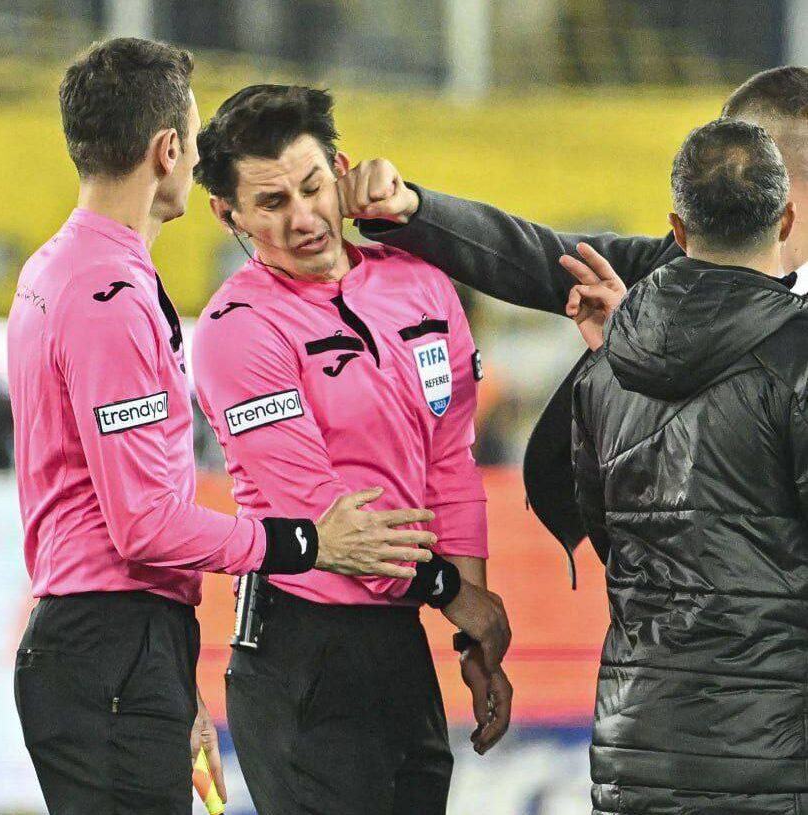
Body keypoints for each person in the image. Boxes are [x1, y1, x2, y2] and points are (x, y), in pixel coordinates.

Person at [8, 40, 438, 815]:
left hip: (113, 651)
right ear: (167, 151)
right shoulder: (110, 298)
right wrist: (306, 542)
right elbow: (143, 525)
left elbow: (99, 512)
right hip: (109, 653)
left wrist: (174, 687)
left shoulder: (56, 270)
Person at [190, 84, 512, 815]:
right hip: (302, 654)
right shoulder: (237, 330)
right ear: (227, 214)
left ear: (341, 171)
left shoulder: (422, 285)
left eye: (312, 188)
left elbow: (450, 467)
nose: (303, 219)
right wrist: (455, 596)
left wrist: (474, 640)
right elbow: (334, 525)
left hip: (402, 641)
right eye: (272, 204)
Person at [341, 65, 808, 567]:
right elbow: (534, 256)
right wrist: (411, 209)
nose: (714, 164)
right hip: (655, 600)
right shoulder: (672, 268)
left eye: (731, 150)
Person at [569, 118, 808, 813]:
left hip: (637, 751)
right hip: (777, 756)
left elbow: (610, 535)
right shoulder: (799, 358)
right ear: (787, 219)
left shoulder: (605, 368)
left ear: (677, 229)